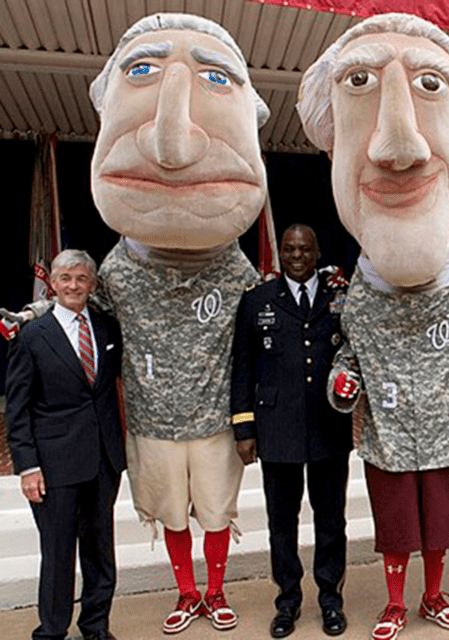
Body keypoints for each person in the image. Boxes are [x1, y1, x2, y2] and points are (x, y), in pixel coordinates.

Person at [4, 13, 271, 634]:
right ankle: (185, 593)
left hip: (211, 420)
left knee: (213, 514)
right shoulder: (116, 273)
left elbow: (269, 320)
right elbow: (77, 314)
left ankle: (215, 590)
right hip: (150, 423)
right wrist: (37, 316)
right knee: (171, 516)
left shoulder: (236, 274)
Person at [297, 13, 449, 640]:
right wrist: (341, 385)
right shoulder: (361, 298)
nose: (397, 146)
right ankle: (395, 602)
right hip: (388, 439)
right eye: (360, 83)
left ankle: (435, 595)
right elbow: (347, 359)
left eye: (430, 87)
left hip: (446, 435)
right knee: (396, 531)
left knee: (441, 527)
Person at [230, 224, 352, 638]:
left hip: (328, 427)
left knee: (331, 519)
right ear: (280, 252)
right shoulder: (257, 300)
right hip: (276, 428)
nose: (296, 255)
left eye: (304, 248)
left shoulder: (340, 298)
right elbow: (242, 365)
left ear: (317, 253)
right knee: (282, 522)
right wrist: (243, 427)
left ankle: (330, 600)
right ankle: (287, 602)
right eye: (289, 249)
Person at [5, 250, 125, 640]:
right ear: (52, 283)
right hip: (53, 466)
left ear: (92, 284)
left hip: (103, 462)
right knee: (57, 556)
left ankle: (96, 627)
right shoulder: (31, 336)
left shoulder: (107, 328)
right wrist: (27, 466)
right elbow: (18, 409)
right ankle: (52, 631)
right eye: (66, 278)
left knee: (100, 555)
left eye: (81, 278)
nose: (74, 286)